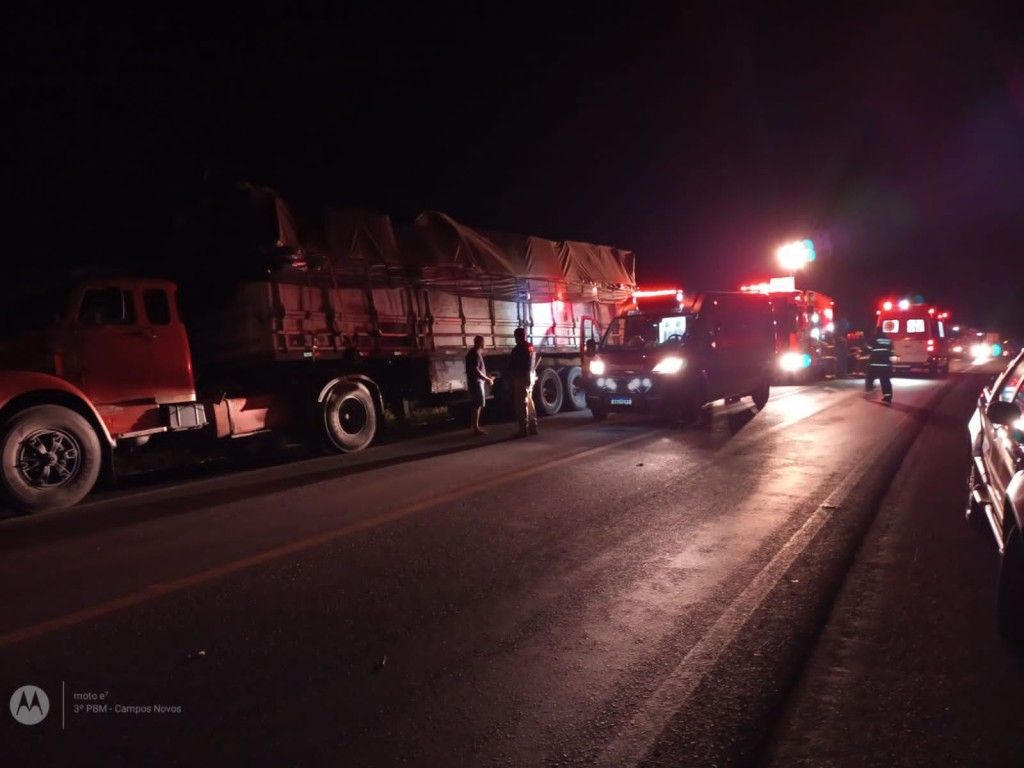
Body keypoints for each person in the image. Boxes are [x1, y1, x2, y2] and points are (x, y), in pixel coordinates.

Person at [508, 327, 538, 436]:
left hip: (521, 376)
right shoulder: (530, 347)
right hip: (530, 375)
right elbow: (532, 361)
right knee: (530, 401)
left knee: (521, 403)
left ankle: (523, 429)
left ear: (517, 336)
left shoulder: (518, 349)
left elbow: (512, 364)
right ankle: (533, 426)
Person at [465, 335, 494, 435]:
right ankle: (476, 428)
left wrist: (487, 377)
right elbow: (475, 369)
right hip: (477, 382)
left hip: (476, 382)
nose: (484, 343)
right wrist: (486, 379)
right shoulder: (475, 354)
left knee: (476, 404)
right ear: (480, 342)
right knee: (477, 404)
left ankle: (474, 426)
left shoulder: (475, 353)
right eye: (483, 342)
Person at [865, 328, 894, 402]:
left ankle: (869, 392)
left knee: (869, 378)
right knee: (885, 381)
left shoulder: (875, 338)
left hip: (875, 363)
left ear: (876, 331)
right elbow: (892, 351)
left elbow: (868, 346)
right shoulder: (888, 340)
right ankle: (888, 397)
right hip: (886, 364)